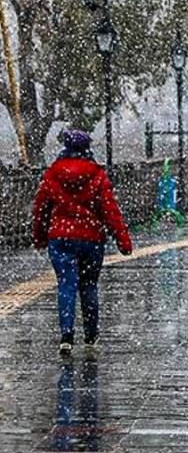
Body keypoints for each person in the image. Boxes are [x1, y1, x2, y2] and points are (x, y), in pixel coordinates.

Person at [32, 129, 133, 353]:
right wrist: (122, 240)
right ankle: (90, 333)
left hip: (60, 237)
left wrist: (39, 236)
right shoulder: (97, 175)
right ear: (87, 149)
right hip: (91, 238)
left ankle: (66, 335)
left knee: (66, 285)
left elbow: (40, 209)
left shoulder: (52, 174)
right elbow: (110, 211)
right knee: (89, 286)